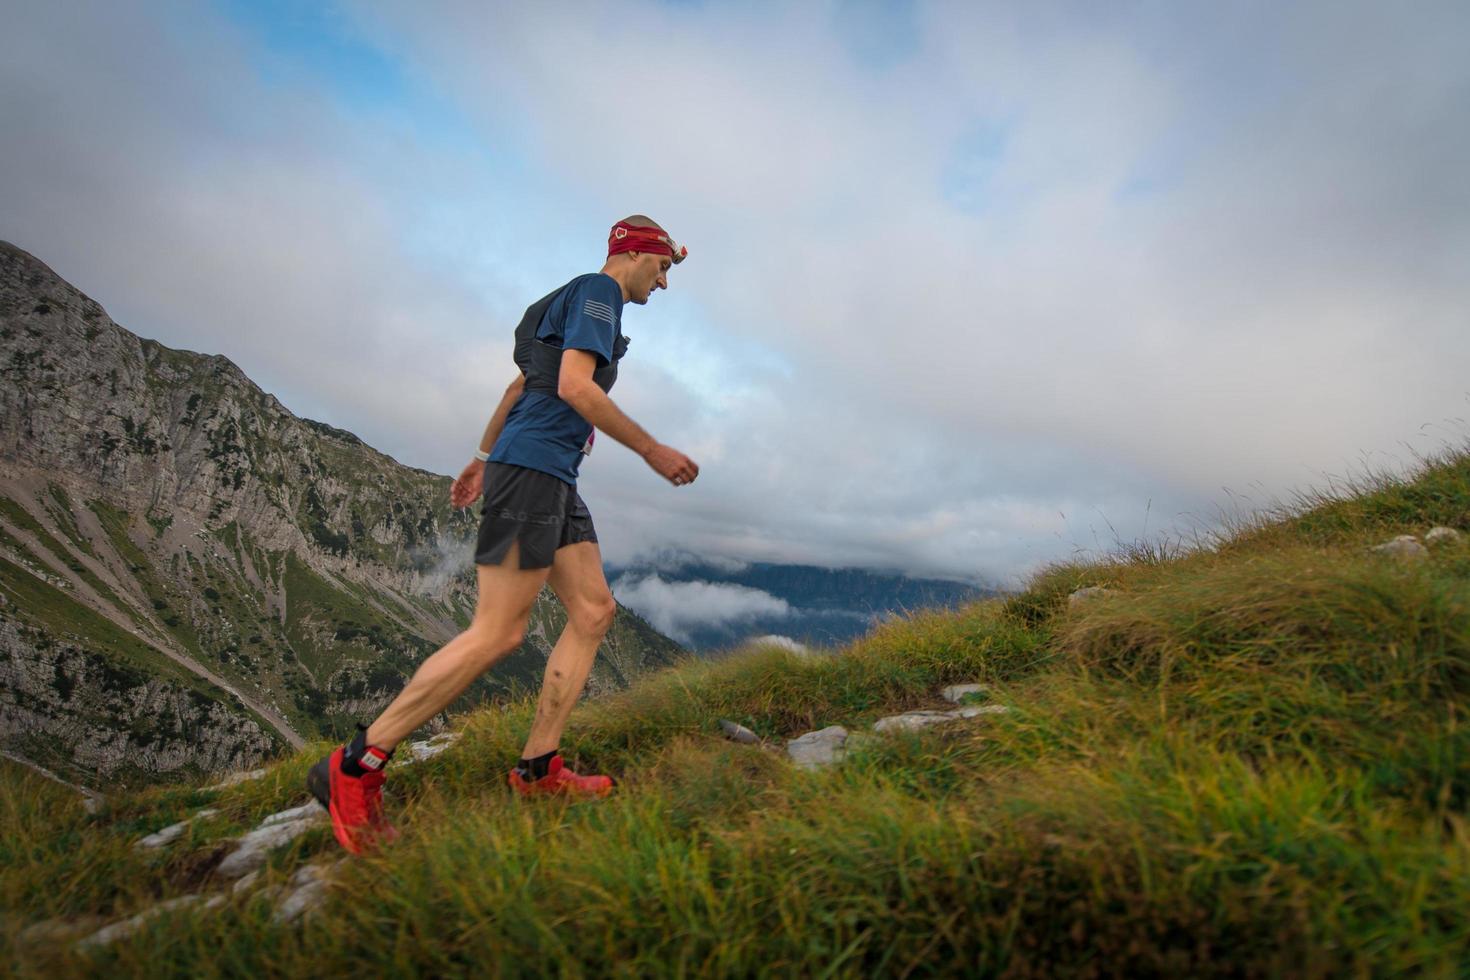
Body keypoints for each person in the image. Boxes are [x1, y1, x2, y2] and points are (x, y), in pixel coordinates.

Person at [308, 216, 699, 854]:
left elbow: (523, 384)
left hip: (545, 474)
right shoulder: (599, 295)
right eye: (664, 268)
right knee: (498, 633)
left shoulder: (570, 299)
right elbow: (573, 386)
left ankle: (538, 769)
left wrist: (484, 455)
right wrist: (651, 449)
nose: (664, 283)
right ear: (636, 253)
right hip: (536, 472)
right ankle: (355, 765)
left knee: (594, 610)